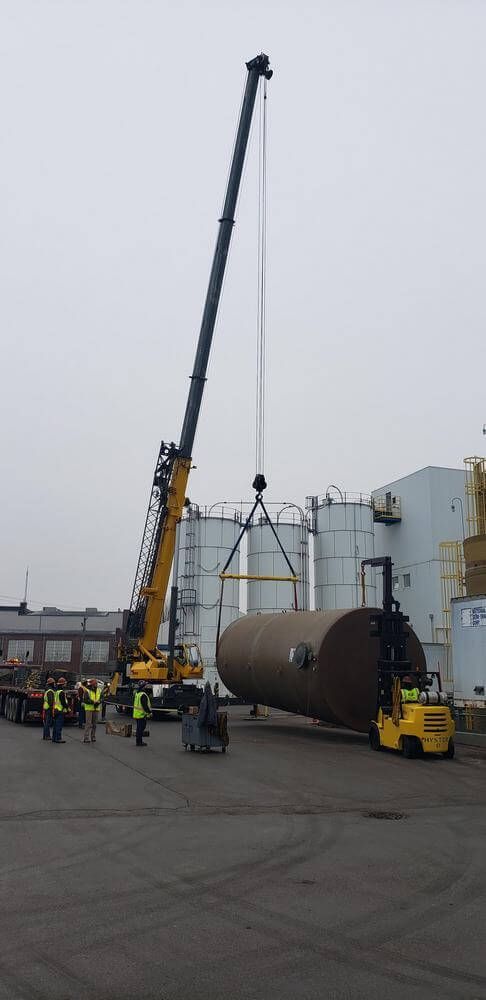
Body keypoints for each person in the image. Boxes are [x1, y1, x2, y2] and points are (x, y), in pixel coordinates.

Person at [133, 681, 152, 747]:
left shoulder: (137, 693)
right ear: (143, 687)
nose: (146, 687)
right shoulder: (143, 695)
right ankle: (139, 742)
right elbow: (145, 706)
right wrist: (149, 712)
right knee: (141, 728)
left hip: (137, 714)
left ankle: (138, 741)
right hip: (141, 714)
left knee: (139, 728)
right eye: (145, 686)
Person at [82, 678, 101, 744]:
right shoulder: (87, 690)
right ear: (92, 684)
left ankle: (93, 736)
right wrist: (93, 702)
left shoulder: (99, 690)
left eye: (96, 683)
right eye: (95, 683)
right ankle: (86, 737)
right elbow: (85, 700)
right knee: (88, 724)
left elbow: (102, 698)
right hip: (89, 708)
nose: (96, 685)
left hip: (96, 708)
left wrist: (99, 701)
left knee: (94, 724)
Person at [52, 677, 68, 743]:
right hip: (60, 710)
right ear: (63, 684)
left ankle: (54, 738)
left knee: (55, 725)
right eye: (65, 683)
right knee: (59, 725)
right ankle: (58, 738)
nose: (65, 685)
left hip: (56, 710)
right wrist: (67, 708)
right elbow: (63, 702)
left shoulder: (56, 691)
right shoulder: (61, 692)